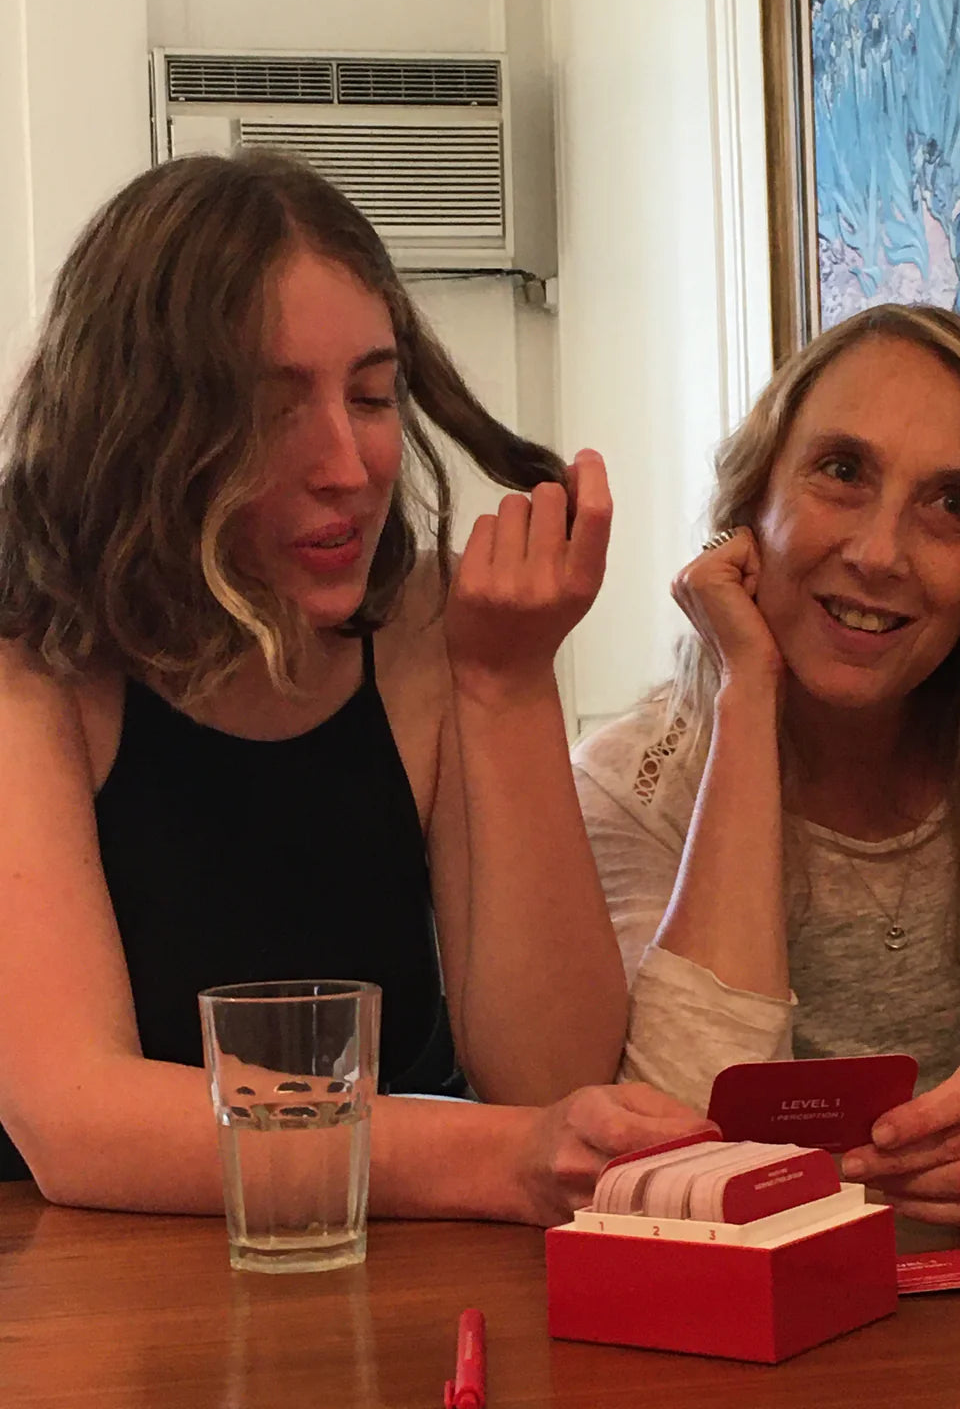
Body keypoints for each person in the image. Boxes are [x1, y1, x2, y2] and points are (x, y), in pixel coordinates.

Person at [0, 150, 707, 1223]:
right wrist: (499, 1157)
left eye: (372, 395)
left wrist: (508, 686)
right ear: (141, 428)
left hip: (367, 1279)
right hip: (87, 1303)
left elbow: (551, 1074)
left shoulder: (426, 626)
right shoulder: (31, 655)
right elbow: (78, 1121)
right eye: (275, 408)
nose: (348, 463)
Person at [574, 303, 960, 1227]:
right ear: (751, 506)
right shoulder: (631, 787)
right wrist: (747, 690)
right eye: (842, 473)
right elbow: (684, 1144)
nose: (879, 553)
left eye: (951, 505)